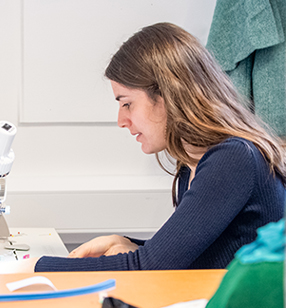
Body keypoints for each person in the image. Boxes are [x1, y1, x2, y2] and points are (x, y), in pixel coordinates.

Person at [35, 23, 286, 271]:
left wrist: (30, 268)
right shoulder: (194, 164)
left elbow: (151, 266)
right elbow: (182, 254)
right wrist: (128, 244)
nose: (121, 121)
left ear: (166, 95)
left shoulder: (233, 159)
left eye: (127, 104)